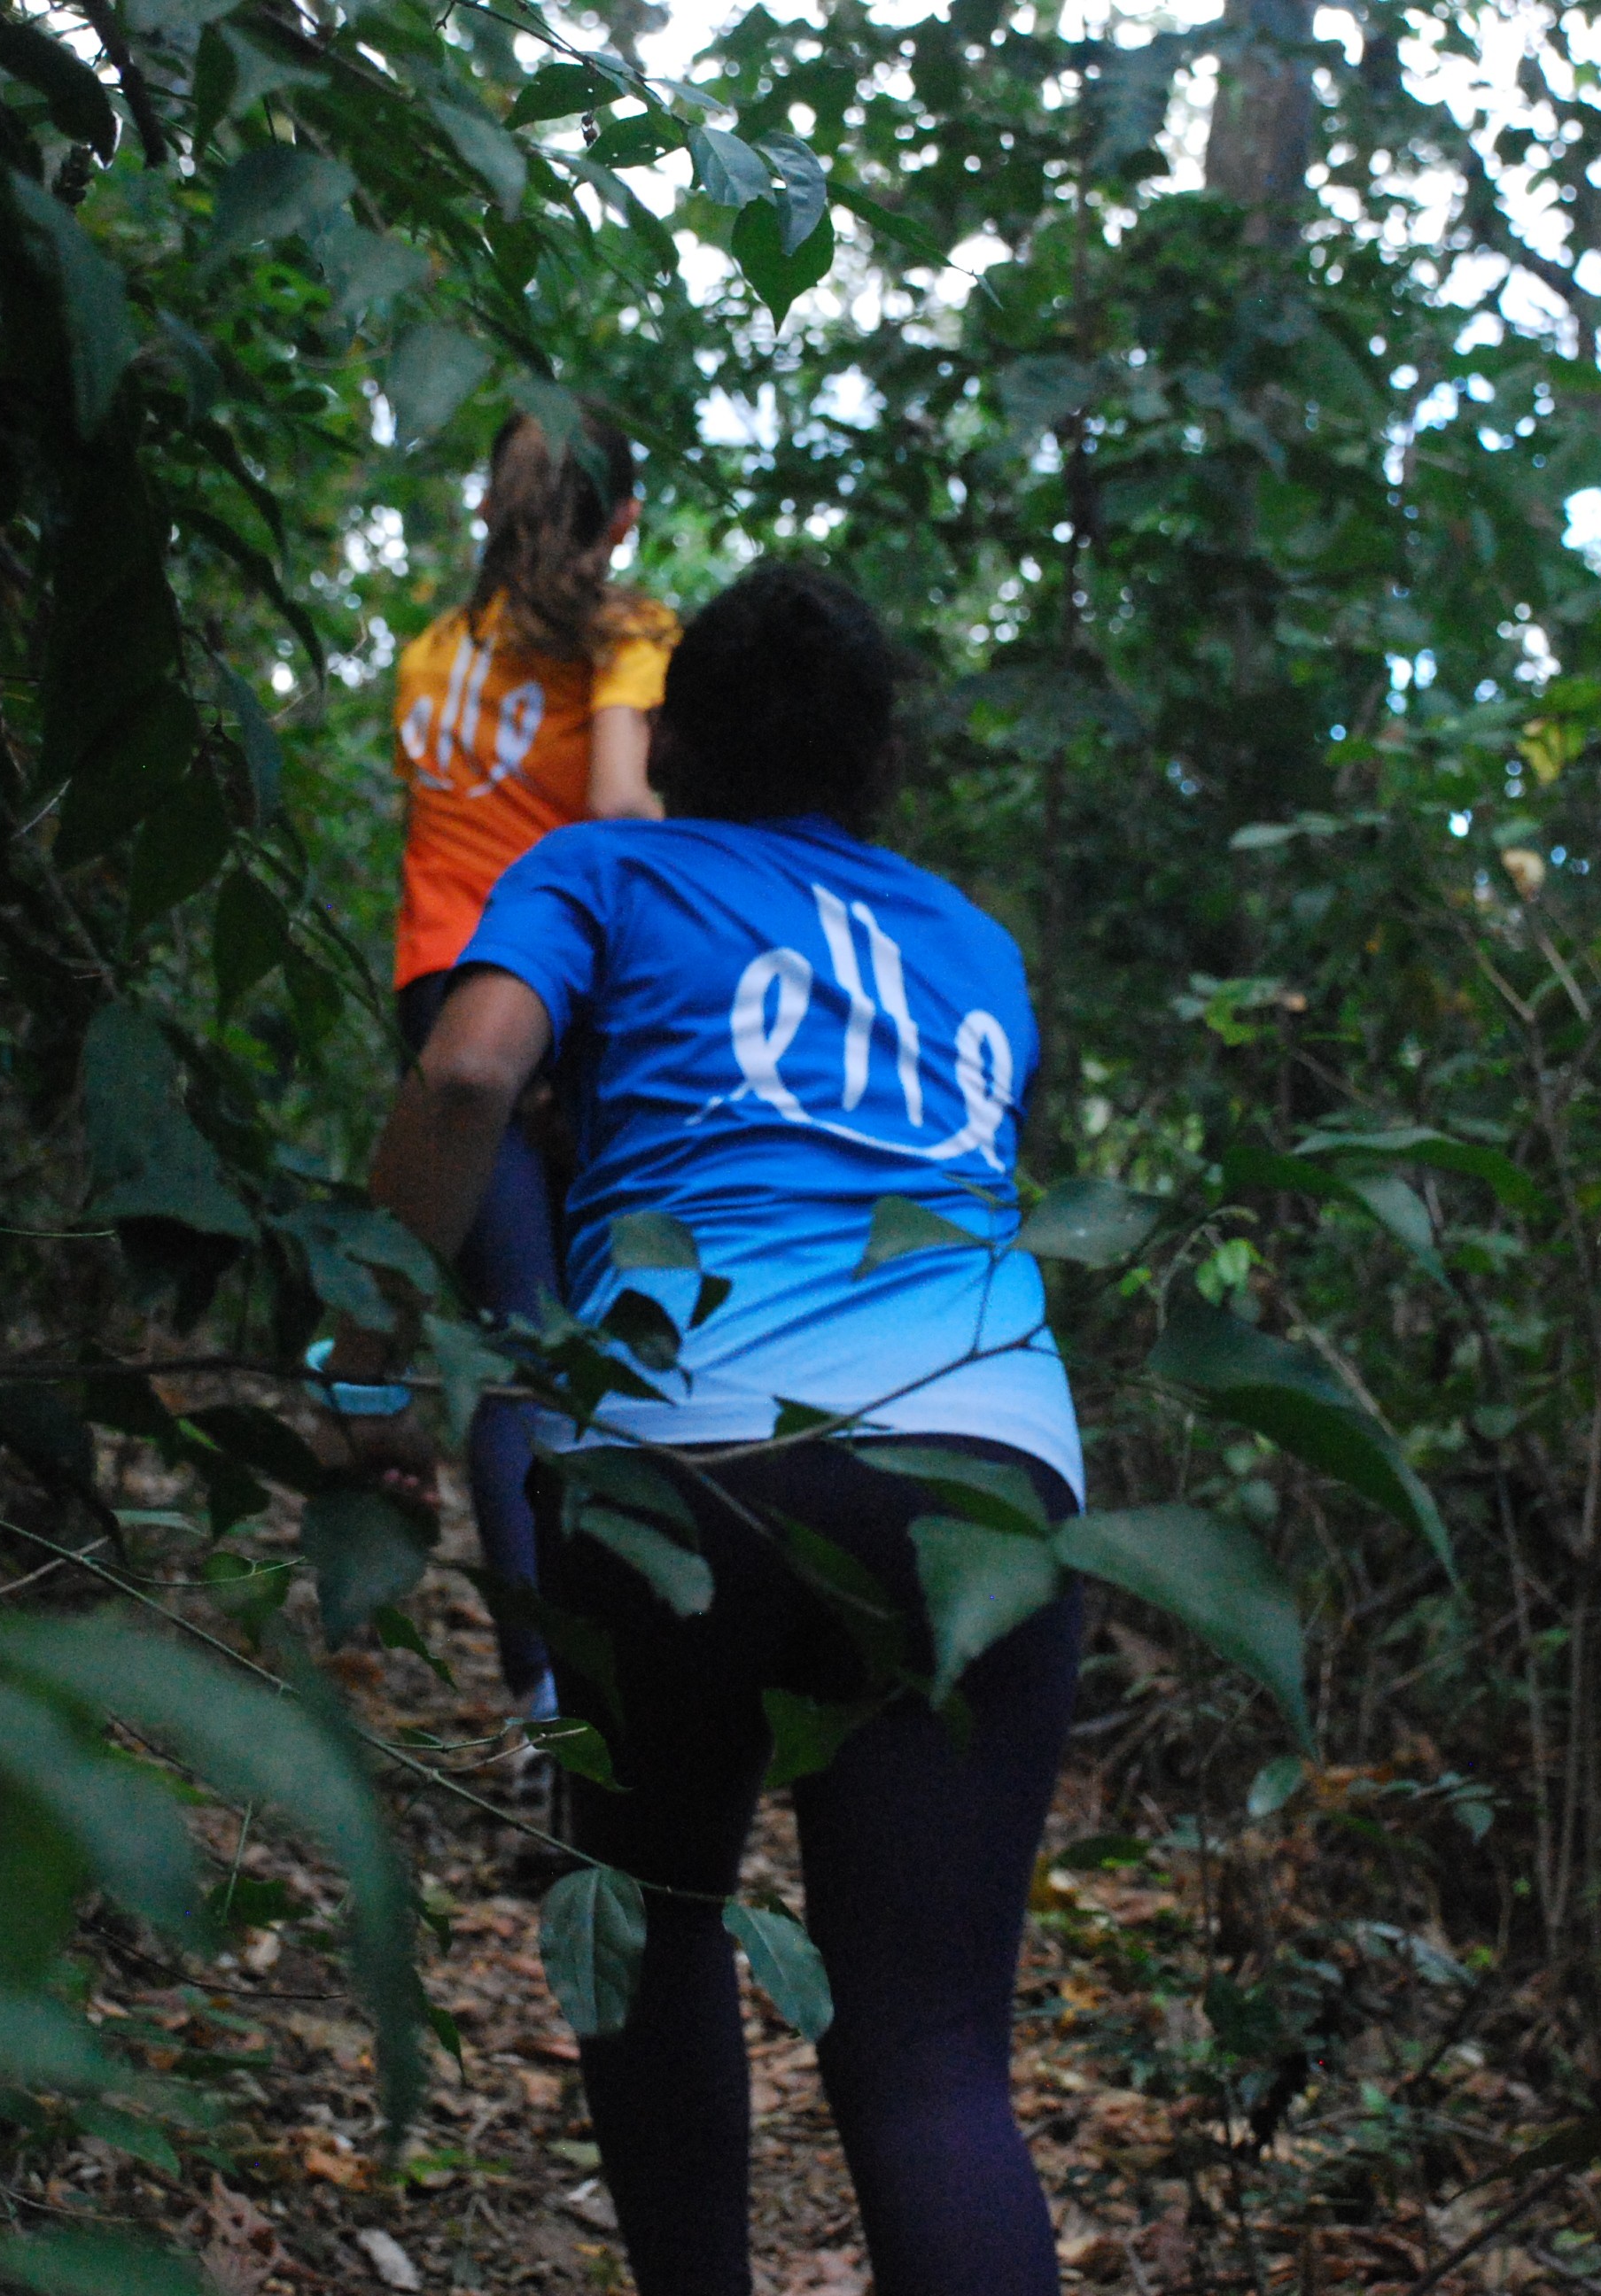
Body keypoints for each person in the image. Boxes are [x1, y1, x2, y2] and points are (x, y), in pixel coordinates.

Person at [344, 563, 1086, 2296]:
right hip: (987, 1476)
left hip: (687, 1463)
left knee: (655, 1921)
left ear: (670, 738)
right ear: (879, 755)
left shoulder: (600, 865)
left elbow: (464, 1075)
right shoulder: (974, 946)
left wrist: (360, 1381)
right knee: (928, 2063)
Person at [383, 407, 676, 1716]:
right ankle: (582, 1689)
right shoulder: (626, 632)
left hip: (436, 992)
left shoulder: (435, 650)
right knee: (583, 1338)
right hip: (555, 994)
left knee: (516, 1340)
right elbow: (617, 806)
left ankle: (543, 1695)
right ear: (619, 519)